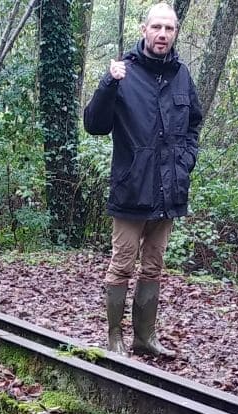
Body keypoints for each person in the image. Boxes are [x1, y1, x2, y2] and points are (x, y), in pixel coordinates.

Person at [81, 2, 204, 357]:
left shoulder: (181, 74)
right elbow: (94, 125)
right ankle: (113, 337)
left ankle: (144, 338)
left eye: (169, 28)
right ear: (144, 30)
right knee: (121, 265)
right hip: (131, 190)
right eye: (156, 28)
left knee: (154, 266)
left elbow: (194, 123)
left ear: (175, 32)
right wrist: (108, 83)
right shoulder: (124, 72)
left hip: (169, 191)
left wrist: (186, 160)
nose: (162, 34)